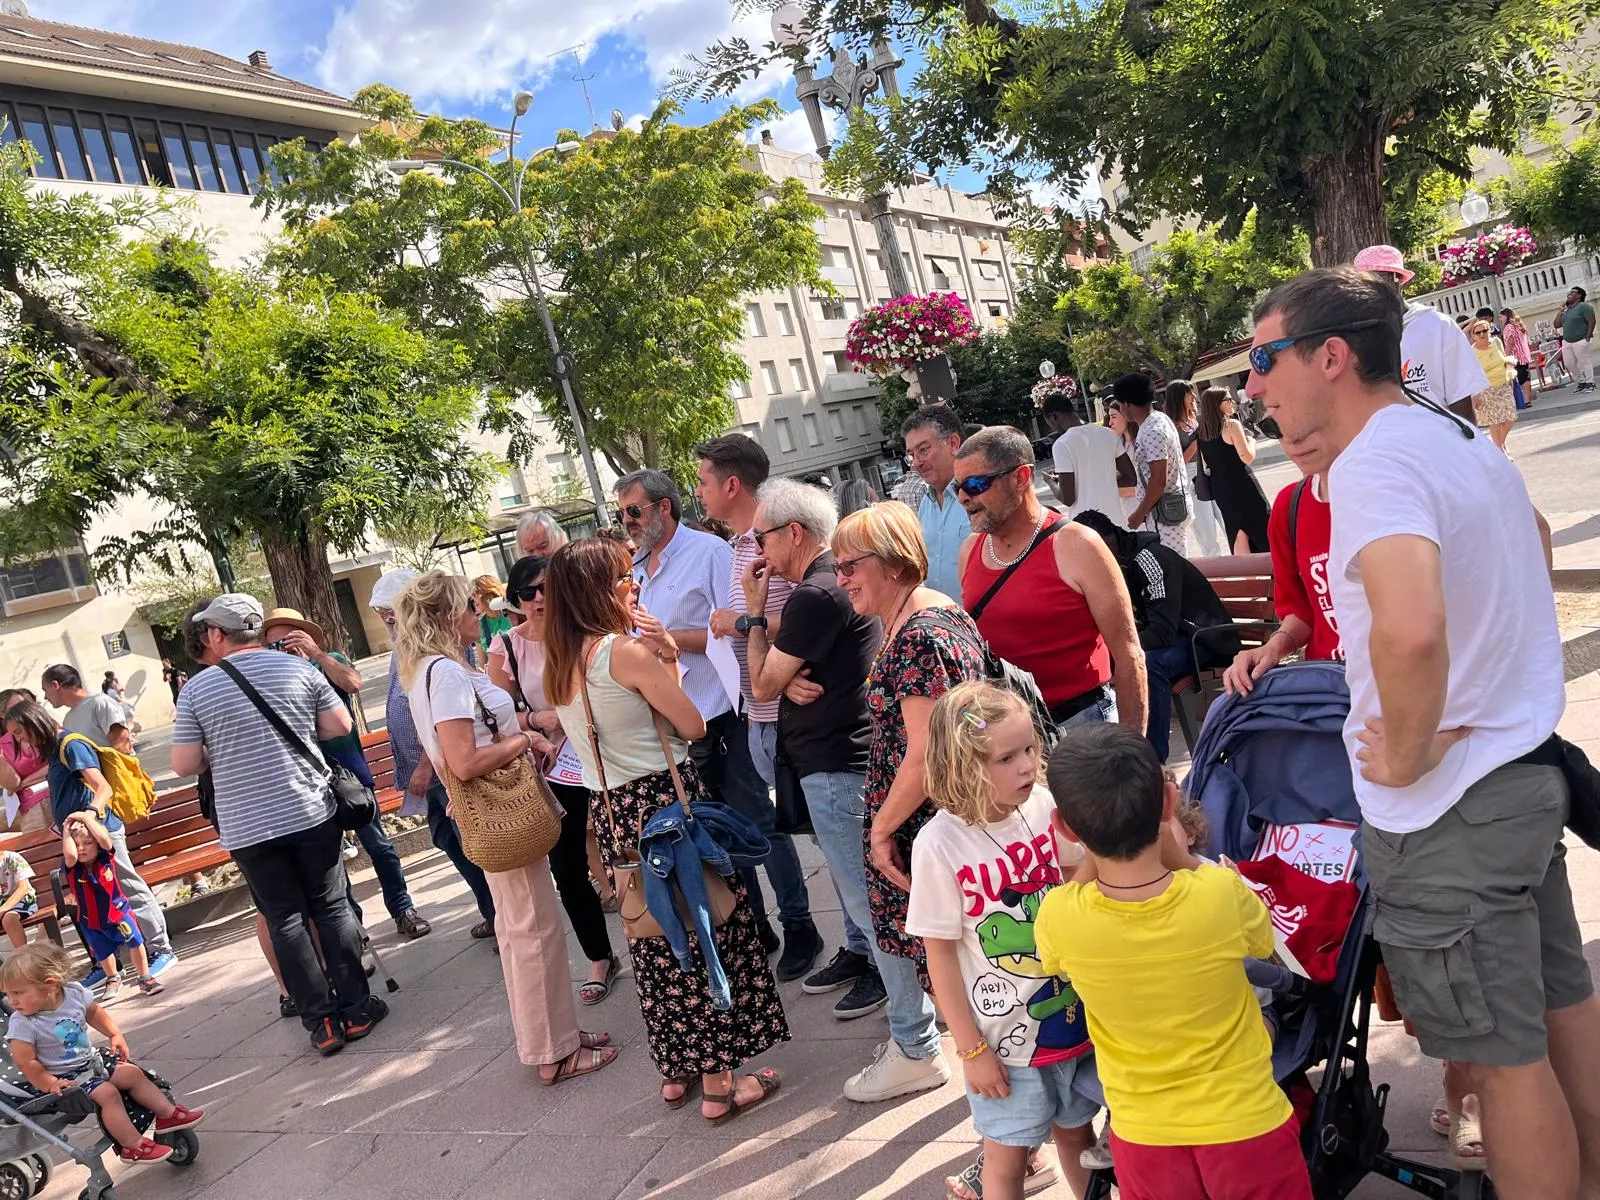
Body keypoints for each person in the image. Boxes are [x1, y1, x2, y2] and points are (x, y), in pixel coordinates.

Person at [1245, 266, 1597, 1197]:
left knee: (1505, 1065)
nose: (1255, 387)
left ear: (1330, 355)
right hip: (1520, 776)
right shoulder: (1452, 435)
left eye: (1264, 359)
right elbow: (1532, 538)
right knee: (1563, 1011)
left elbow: (1408, 630)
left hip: (1452, 813)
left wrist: (1404, 756)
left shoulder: (1375, 461)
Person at [545, 538, 789, 1121]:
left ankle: (678, 1070)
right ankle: (721, 1083)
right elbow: (692, 724)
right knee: (705, 925)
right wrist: (669, 657)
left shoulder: (559, 663)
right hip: (665, 801)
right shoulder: (623, 653)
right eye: (620, 578)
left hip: (615, 812)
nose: (631, 584)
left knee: (653, 936)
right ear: (597, 590)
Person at [1037, 723, 1313, 1200]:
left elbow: (1054, 953)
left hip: (1143, 1136)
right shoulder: (1219, 893)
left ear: (1064, 828)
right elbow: (1262, 942)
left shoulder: (1060, 916)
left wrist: (1091, 855)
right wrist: (1182, 859)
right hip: (1246, 1123)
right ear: (1169, 803)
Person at [397, 570, 618, 1084]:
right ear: (445, 616)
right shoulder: (444, 673)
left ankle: (554, 1036)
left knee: (524, 929)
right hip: (500, 812)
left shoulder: (433, 669)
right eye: (468, 607)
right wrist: (525, 742)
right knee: (532, 931)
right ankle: (553, 1051)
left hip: (491, 814)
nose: (478, 614)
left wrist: (524, 733)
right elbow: (464, 760)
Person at [740, 480, 936, 1039]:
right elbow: (784, 678)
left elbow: (760, 684)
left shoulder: (814, 594)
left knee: (874, 907)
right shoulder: (830, 590)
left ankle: (914, 1034)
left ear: (793, 533)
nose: (758, 552)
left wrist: (753, 617)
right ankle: (924, 1013)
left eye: (761, 538)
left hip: (838, 767)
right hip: (850, 761)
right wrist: (784, 679)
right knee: (879, 900)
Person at [617, 468, 816, 978]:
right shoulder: (635, 567)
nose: (628, 522)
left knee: (760, 827)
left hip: (723, 712)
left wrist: (665, 641)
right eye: (621, 515)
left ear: (663, 507)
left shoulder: (708, 553)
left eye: (634, 511)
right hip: (679, 724)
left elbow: (731, 629)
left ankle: (799, 925)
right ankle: (753, 927)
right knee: (715, 836)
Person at [170, 593, 383, 1056]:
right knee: (331, 907)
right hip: (308, 810)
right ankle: (356, 1009)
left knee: (284, 918)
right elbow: (339, 724)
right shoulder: (296, 668)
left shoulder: (197, 690)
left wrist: (222, 749)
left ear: (215, 634)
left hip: (247, 825)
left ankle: (321, 1023)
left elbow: (183, 764)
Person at [909, 682, 1097, 1200]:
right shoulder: (938, 845)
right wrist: (970, 1050)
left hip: (1073, 1017)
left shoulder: (1043, 805)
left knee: (1079, 1137)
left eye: (1030, 749)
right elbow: (939, 956)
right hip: (1003, 1044)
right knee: (1007, 1159)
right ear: (963, 765)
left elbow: (1075, 877)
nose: (1027, 766)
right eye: (1006, 758)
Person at [828, 500, 986, 1103]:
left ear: (893, 563)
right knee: (963, 969)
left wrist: (880, 830)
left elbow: (924, 753)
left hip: (931, 826)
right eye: (837, 566)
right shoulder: (926, 612)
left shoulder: (920, 634)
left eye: (850, 565)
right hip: (936, 822)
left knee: (964, 976)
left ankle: (1005, 1112)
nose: (841, 578)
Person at [694, 436, 822, 978]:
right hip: (759, 710)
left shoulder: (769, 540)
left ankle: (820, 933)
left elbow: (808, 617)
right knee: (792, 828)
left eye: (702, 481)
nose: (698, 491)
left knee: (818, 834)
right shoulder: (738, 545)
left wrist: (740, 624)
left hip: (788, 709)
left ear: (731, 484)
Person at [485, 554, 621, 1004]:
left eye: (546, 587)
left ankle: (659, 939)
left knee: (630, 851)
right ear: (515, 599)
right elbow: (497, 716)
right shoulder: (506, 646)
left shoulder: (584, 628)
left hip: (607, 754)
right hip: (556, 765)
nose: (539, 599)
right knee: (568, 869)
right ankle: (600, 956)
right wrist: (536, 719)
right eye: (528, 592)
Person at [953, 426, 1147, 734]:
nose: (964, 497)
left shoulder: (1077, 544)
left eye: (975, 484)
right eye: (958, 488)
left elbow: (1129, 654)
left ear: (1021, 478)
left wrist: (1133, 745)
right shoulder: (969, 551)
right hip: (1009, 737)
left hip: (1082, 727)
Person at [260, 607, 432, 941]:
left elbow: (353, 683)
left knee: (378, 845)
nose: (282, 649)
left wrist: (316, 655)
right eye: (273, 645)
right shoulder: (271, 679)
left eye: (288, 640)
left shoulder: (328, 661)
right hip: (308, 782)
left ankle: (403, 909)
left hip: (349, 775)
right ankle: (353, 929)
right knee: (331, 862)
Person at [370, 569, 497, 941]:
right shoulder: (409, 647)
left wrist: (426, 764)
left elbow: (445, 720)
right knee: (448, 838)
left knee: (468, 842)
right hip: (435, 769)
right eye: (380, 612)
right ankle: (494, 912)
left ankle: (498, 914)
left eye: (390, 609)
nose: (386, 617)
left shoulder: (441, 657)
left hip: (444, 767)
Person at [7, 699, 175, 978]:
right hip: (81, 837)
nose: (19, 740)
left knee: (127, 886)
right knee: (93, 900)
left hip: (100, 833)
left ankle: (161, 948)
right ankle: (109, 966)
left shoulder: (70, 744)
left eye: (19, 732)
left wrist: (88, 815)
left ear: (32, 722)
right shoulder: (55, 749)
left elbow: (103, 788)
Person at [2, 943, 204, 1166]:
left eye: (17, 993)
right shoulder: (23, 1022)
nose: (11, 1001)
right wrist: (50, 1083)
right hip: (65, 1079)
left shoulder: (74, 994)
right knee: (108, 1093)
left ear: (50, 984)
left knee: (133, 1074)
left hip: (91, 1060)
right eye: (8, 994)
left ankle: (167, 1115)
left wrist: (114, 1034)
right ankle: (132, 1145)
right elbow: (25, 1061)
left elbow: (94, 1013)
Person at [1073, 510, 1237, 764]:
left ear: (1104, 542)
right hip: (1171, 640)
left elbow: (1162, 632)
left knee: (1146, 663)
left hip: (1204, 639)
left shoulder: (1150, 559)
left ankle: (1151, 759)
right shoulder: (1109, 565)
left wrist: (1117, 650)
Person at [1351, 244, 1489, 420]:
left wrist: (1466, 438)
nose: (1370, 290)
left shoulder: (1438, 326)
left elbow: (1461, 402)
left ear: (1397, 279)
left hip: (1438, 434)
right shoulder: (1356, 336)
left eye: (1378, 280)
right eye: (1362, 284)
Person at [61, 813, 162, 999]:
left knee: (135, 941)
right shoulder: (73, 867)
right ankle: (113, 977)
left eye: (87, 843)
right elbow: (71, 855)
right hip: (90, 919)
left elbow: (105, 839)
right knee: (102, 951)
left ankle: (144, 977)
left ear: (96, 844)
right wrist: (66, 830)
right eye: (77, 844)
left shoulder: (105, 857)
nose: (81, 848)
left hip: (117, 912)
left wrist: (86, 818)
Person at [1111, 374, 1193, 555]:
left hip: (1165, 512)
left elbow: (1158, 480)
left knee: (1173, 565)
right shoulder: (1158, 419)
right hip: (1164, 509)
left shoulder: (1152, 430)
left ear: (1127, 404)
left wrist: (1139, 513)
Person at [901, 405, 973, 599]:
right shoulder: (925, 505)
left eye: (923, 450)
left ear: (953, 444)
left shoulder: (980, 495)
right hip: (943, 615)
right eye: (911, 455)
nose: (917, 462)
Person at [1195, 386, 1271, 552]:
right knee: (1262, 527)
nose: (1233, 402)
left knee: (1236, 530)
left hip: (1220, 488)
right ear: (1217, 404)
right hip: (1242, 483)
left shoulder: (1202, 432)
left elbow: (1205, 461)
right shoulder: (1231, 425)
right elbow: (1247, 457)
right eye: (1228, 400)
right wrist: (1251, 442)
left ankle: (1244, 568)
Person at [1044, 394, 1134, 525]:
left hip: (1086, 526)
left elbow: (1068, 499)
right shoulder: (1108, 433)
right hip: (1116, 523)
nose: (1053, 428)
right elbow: (1131, 478)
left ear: (1053, 417)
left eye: (1050, 423)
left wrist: (1051, 483)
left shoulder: (1062, 444)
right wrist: (1103, 480)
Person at [1163, 381, 1227, 557]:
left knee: (1228, 520)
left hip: (1211, 471)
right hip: (1190, 477)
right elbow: (1176, 461)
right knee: (1206, 532)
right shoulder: (1171, 426)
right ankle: (1216, 567)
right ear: (1178, 397)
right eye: (1188, 394)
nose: (1193, 397)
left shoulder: (1196, 420)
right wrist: (1197, 443)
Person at [42, 665, 130, 754]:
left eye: (45, 690)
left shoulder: (100, 702)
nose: (45, 697)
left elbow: (123, 746)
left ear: (55, 685)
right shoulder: (67, 720)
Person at [0, 688, 50, 833]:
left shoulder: (45, 728)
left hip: (62, 792)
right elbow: (12, 785)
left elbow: (59, 762)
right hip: (33, 806)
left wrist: (25, 783)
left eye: (25, 704)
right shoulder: (4, 745)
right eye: (16, 707)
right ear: (2, 714)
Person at [1465, 318, 1518, 451]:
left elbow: (1503, 357)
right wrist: (1474, 395)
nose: (1482, 334)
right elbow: (1471, 373)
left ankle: (1498, 445)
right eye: (1478, 333)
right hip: (1486, 389)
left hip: (1503, 385)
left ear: (1490, 331)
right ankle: (1500, 449)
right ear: (1473, 336)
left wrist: (1509, 362)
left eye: (1485, 331)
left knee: (1510, 418)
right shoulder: (1472, 351)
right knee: (1495, 422)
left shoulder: (1497, 342)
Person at [1557, 285, 1596, 393]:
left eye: (1573, 292)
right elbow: (1556, 324)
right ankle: (1581, 381)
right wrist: (1560, 310)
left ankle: (1590, 383)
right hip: (1567, 341)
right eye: (1569, 293)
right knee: (1569, 363)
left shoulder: (1583, 306)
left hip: (1581, 339)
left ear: (1579, 295)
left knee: (1584, 361)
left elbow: (1592, 321)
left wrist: (1588, 335)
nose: (1569, 294)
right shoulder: (1566, 310)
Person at [0, 841, 35, 949]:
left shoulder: (12, 858)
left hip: (22, 900)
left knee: (9, 919)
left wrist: (3, 909)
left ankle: (23, 953)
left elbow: (23, 888)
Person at [1500, 308, 1536, 408]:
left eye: (1501, 317)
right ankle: (1527, 400)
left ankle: (1520, 401)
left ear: (1506, 316)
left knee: (1516, 379)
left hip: (1515, 357)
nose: (1500, 319)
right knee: (1525, 378)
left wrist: (1506, 357)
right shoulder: (1519, 325)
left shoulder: (1509, 327)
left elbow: (1510, 342)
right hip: (1523, 356)